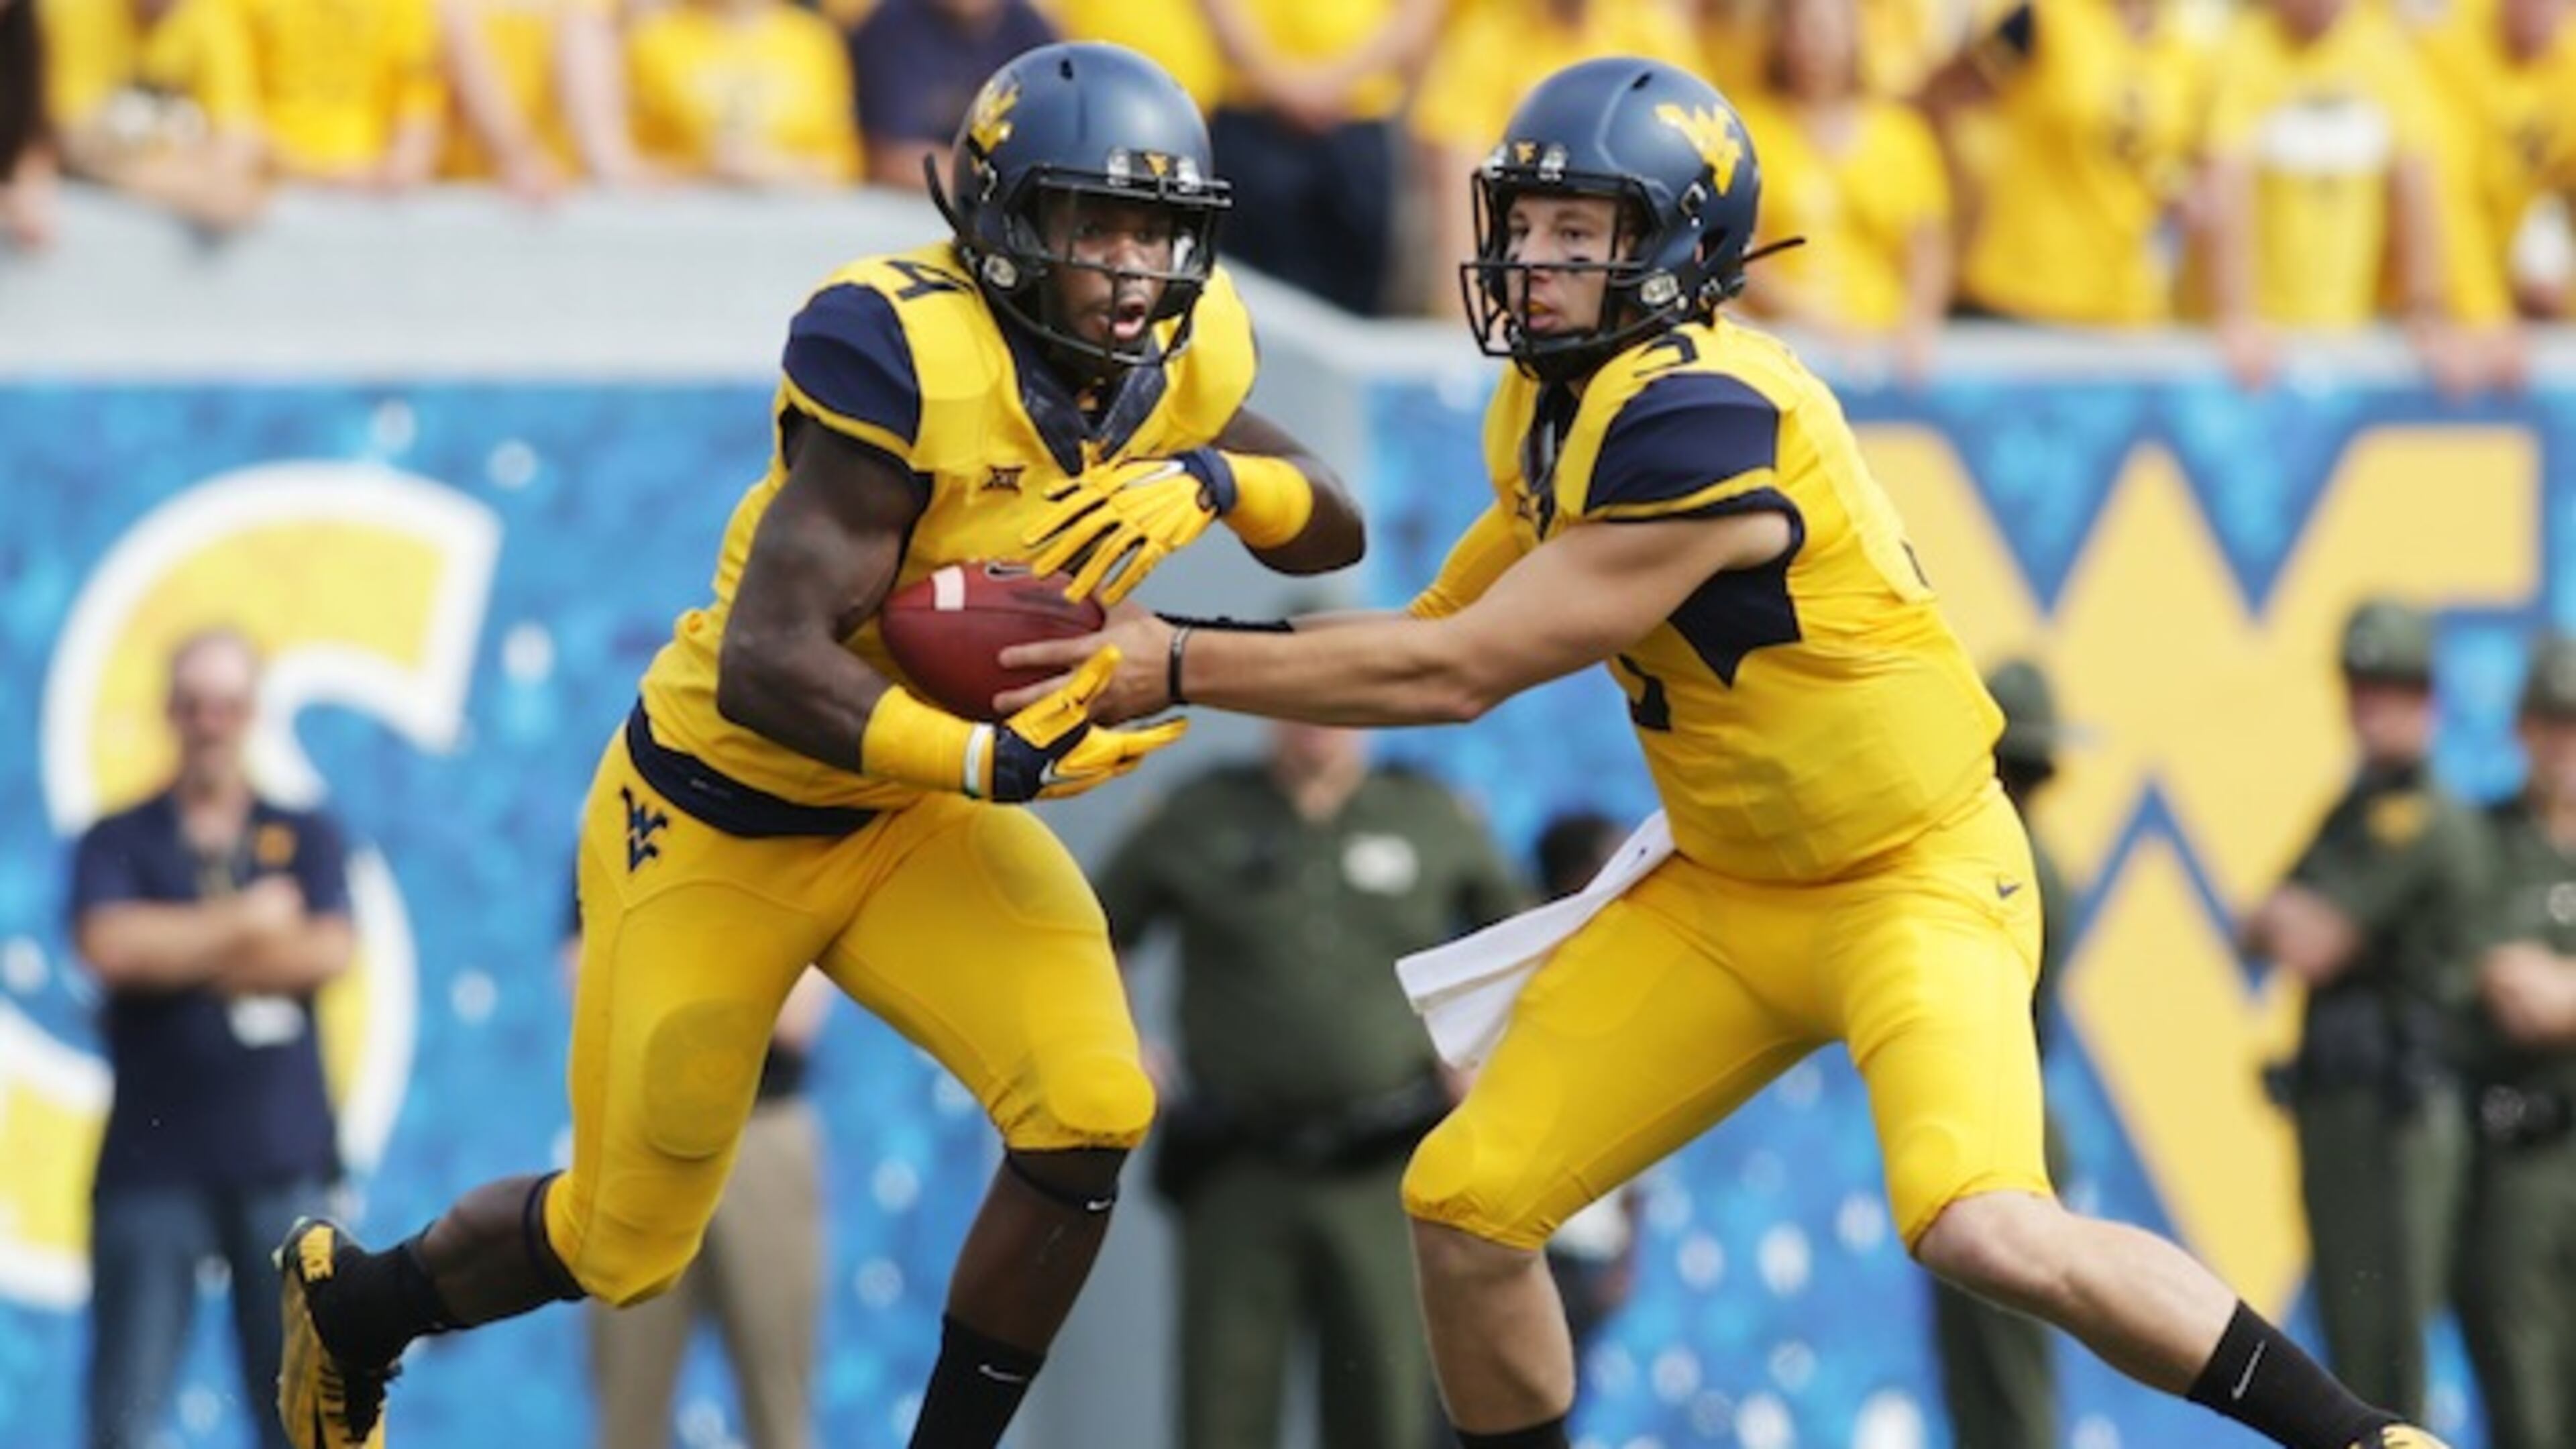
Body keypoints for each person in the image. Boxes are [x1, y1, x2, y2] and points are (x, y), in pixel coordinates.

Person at [1004, 55, 2459, 1449]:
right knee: (1467, 1203)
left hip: (1911, 878)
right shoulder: (1556, 398)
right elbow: (1435, 620)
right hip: (1727, 887)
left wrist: (1178, 662)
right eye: (1527, 221)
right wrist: (1173, 641)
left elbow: (1460, 676)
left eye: (1584, 228)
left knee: (1984, 1222)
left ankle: (2355, 1438)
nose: (1538, 257)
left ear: (1681, 250)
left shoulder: (1703, 414)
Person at [271, 40, 1361, 1449]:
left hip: (905, 820)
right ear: (1009, 219)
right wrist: (990, 761)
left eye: (1159, 228)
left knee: (1091, 1104)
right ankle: (357, 1311)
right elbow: (768, 661)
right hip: (728, 811)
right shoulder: (903, 349)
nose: (1137, 265)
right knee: (621, 1244)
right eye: (1101, 223)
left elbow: (1337, 520)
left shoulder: (1175, 360)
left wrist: (1226, 474)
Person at [1095, 715, 1521, 1449]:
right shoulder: (1200, 814)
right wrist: (1116, 1041)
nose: (1316, 717)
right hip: (1238, 1165)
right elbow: (1093, 927)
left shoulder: (1430, 814)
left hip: (1385, 1167)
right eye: (1296, 693)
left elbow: (1517, 935)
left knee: (1386, 1410)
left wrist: (1478, 1057)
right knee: (1222, 1411)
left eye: (1338, 694)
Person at [71, 628, 356, 1449]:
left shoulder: (304, 829)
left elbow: (329, 950)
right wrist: (248, 924)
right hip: (151, 1168)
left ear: (252, 713)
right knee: (125, 1415)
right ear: (169, 712)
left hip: (281, 1162)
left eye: (227, 705)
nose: (210, 722)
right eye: (194, 704)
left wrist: (181, 953)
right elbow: (112, 949)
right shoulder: (119, 836)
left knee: (304, 1420)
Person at [2242, 600, 2489, 1424]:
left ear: (2424, 697)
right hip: (2340, 1103)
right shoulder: (2353, 810)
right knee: (2349, 1349)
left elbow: (2306, 938)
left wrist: (2293, 919)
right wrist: (2289, 919)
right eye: (2361, 682)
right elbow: (2257, 925)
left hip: (2397, 1116)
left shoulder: (2424, 819)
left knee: (2390, 1351)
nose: (2370, 703)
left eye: (2392, 684)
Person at [569, 896, 837, 1449]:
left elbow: (796, 1016)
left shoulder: (805, 836)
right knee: (627, 1408)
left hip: (762, 1131)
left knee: (779, 1401)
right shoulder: (629, 819)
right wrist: (736, 977)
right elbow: (587, 983)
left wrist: (664, 972)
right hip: (642, 1137)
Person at [1930, 659, 2073, 1449]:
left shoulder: (2004, 870)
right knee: (1985, 1368)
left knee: (2003, 1376)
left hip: (1995, 1128)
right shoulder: (2034, 864)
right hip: (1995, 1121)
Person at [2453, 633, 2576, 1449]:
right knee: (2527, 1414)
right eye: (2553, 721)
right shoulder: (2484, 840)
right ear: (2524, 728)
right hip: (2519, 1164)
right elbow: (2511, 995)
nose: (2566, 743)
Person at [848, 0, 1057, 192]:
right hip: (915, 204)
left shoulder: (1029, 29)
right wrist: (985, 182)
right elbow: (887, 159)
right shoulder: (890, 28)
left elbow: (1054, 149)